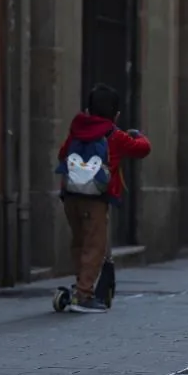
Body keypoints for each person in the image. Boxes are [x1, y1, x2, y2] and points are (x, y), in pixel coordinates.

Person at [55, 83, 151, 313]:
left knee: (79, 242)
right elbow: (143, 149)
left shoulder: (76, 129)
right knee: (94, 246)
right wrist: (137, 135)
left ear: (87, 110)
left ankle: (80, 284)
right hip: (95, 199)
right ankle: (84, 295)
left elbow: (62, 155)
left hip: (70, 196)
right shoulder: (114, 135)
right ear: (116, 114)